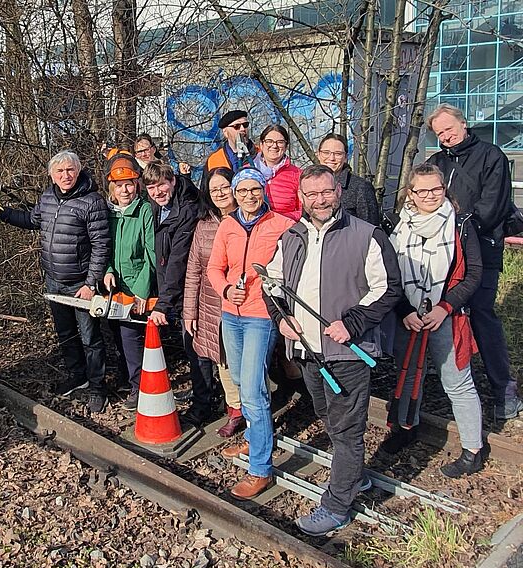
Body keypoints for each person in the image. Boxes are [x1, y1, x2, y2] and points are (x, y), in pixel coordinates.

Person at [264, 164, 401, 536]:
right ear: (301, 198)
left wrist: (352, 323)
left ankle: (338, 503)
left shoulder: (367, 235)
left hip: (348, 352)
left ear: (338, 191)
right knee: (328, 415)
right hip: (307, 351)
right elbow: (272, 285)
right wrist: (281, 319)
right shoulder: (292, 236)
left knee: (347, 428)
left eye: (325, 192)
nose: (319, 200)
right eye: (311, 195)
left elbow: (388, 288)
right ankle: (352, 475)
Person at [0, 151, 112, 413]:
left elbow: (101, 245)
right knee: (66, 334)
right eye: (60, 171)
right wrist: (3, 213)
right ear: (51, 175)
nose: (66, 176)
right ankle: (78, 376)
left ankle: (98, 387)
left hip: (81, 284)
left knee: (90, 337)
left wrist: (91, 283)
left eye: (70, 170)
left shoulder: (92, 201)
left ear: (78, 171)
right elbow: (32, 220)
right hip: (54, 281)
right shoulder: (48, 198)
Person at [382, 163, 486, 477]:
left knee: (457, 381)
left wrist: (445, 307)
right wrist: (405, 311)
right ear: (410, 193)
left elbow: (473, 275)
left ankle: (472, 449)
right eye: (421, 190)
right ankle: (406, 426)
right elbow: (389, 274)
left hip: (447, 315)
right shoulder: (397, 224)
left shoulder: (461, 224)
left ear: (444, 190)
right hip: (410, 315)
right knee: (409, 373)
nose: (429, 195)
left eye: (435, 189)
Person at [427, 103, 520, 420]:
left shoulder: (491, 156)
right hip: (444, 252)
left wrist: (460, 229)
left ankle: (504, 388)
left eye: (448, 129)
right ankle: (451, 378)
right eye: (439, 133)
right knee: (445, 311)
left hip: (481, 246)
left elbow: (493, 205)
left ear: (463, 124)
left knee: (481, 313)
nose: (445, 136)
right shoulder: (437, 162)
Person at [206, 168, 294, 500]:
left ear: (263, 190)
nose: (248, 196)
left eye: (254, 190)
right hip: (232, 314)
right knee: (242, 383)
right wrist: (227, 290)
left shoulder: (281, 225)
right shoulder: (228, 225)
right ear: (235, 193)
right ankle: (257, 436)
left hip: (261, 316)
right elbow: (214, 267)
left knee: (254, 389)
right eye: (242, 191)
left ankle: (260, 470)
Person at [143, 161, 209, 420]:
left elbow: (178, 260)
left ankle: (204, 405)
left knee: (196, 347)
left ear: (172, 181)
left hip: (192, 290)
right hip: (172, 289)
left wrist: (164, 303)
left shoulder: (186, 209)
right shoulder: (157, 208)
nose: (157, 191)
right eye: (151, 187)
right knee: (189, 346)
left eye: (161, 185)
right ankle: (201, 393)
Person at [183, 167, 244, 437]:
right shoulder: (204, 224)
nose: (220, 192)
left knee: (248, 361)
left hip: (245, 304)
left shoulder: (249, 220)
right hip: (211, 304)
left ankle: (256, 412)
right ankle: (235, 410)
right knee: (223, 361)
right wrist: (189, 311)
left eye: (224, 186)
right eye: (213, 188)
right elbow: (194, 269)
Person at [102, 153, 156, 410]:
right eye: (119, 185)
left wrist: (142, 291)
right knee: (117, 336)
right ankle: (126, 377)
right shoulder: (109, 213)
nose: (124, 190)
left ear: (137, 185)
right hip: (114, 287)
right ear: (112, 187)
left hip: (136, 287)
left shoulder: (144, 210)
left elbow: (151, 254)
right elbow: (104, 248)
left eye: (129, 184)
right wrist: (108, 270)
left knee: (131, 337)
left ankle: (139, 386)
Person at [316, 134, 380, 226]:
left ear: (345, 157)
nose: (331, 158)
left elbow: (370, 228)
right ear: (318, 154)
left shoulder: (361, 187)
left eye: (338, 154)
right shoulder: (310, 186)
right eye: (326, 152)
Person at [254, 124, 302, 222]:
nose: (274, 146)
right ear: (261, 145)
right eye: (269, 141)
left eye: (280, 142)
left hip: (286, 230)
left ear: (286, 146)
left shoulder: (298, 174)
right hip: (254, 229)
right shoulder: (248, 171)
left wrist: (281, 220)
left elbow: (303, 210)